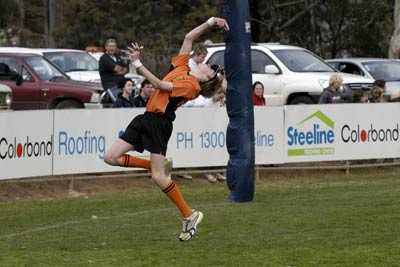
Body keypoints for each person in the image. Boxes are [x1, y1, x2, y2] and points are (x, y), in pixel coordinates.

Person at [103, 16, 229, 241]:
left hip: (159, 124)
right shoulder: (184, 68)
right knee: (111, 157)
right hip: (146, 118)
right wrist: (211, 22)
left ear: (207, 79)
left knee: (159, 178)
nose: (208, 64)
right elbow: (189, 37)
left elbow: (160, 85)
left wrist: (138, 64)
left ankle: (189, 214)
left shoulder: (191, 86)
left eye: (212, 68)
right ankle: (155, 167)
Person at [99, 38, 129, 103]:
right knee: (118, 103)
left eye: (113, 46)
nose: (112, 48)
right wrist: (120, 70)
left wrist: (120, 70)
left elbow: (126, 70)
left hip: (122, 85)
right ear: (106, 47)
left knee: (128, 102)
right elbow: (117, 69)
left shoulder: (117, 57)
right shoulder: (104, 58)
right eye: (110, 46)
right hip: (111, 86)